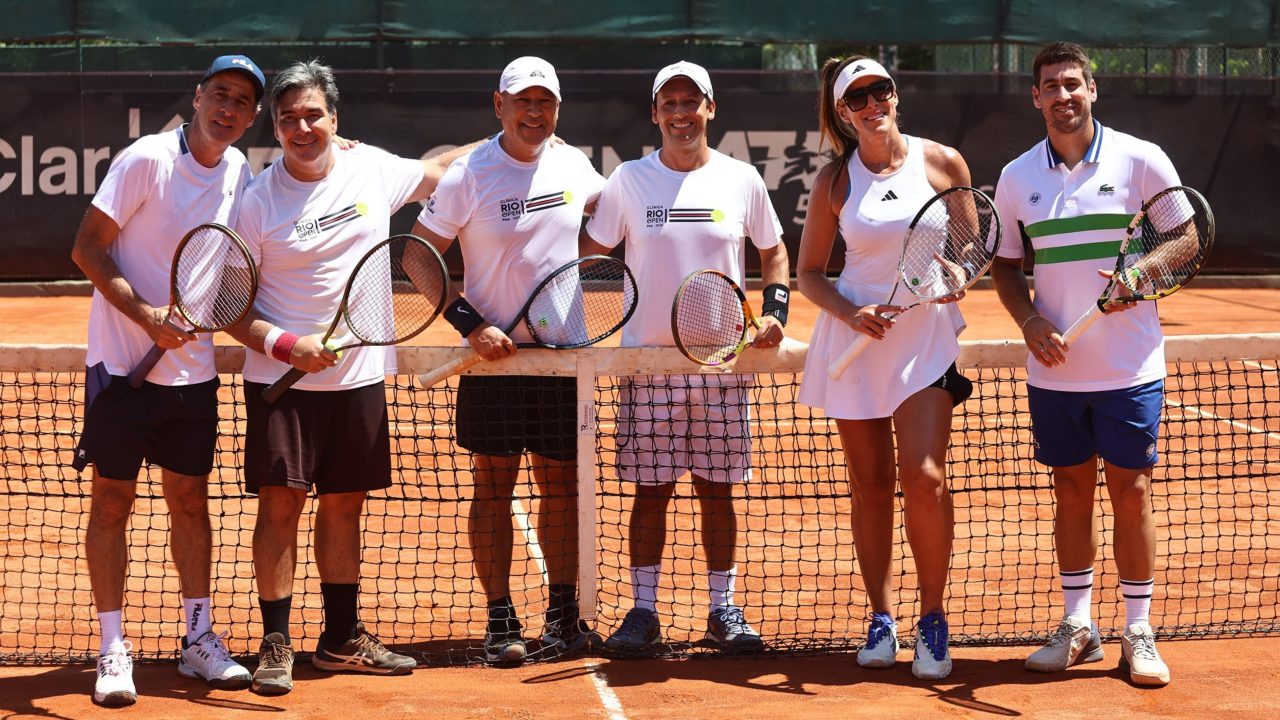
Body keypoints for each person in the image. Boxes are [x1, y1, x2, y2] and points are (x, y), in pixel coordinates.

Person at [225, 60, 477, 695]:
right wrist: (286, 346)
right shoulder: (255, 202)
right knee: (281, 508)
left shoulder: (373, 168)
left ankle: (339, 639)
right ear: (276, 130)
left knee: (344, 506)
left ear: (335, 121)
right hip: (282, 383)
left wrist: (514, 139)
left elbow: (442, 168)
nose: (302, 127)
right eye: (289, 120)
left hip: (360, 378)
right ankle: (276, 642)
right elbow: (229, 305)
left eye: (314, 115)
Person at [69, 53, 267, 707]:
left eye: (241, 101)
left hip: (192, 375)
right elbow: (87, 248)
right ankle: (111, 648)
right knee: (112, 504)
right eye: (220, 94)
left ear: (251, 116)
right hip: (123, 370)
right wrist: (145, 317)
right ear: (198, 96)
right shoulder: (146, 160)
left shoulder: (239, 169)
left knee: (190, 502)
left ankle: (198, 640)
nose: (228, 108)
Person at [581, 60, 790, 656]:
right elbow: (588, 255)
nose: (680, 113)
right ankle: (643, 611)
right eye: (668, 103)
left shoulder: (741, 179)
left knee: (716, 490)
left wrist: (774, 310)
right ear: (655, 114)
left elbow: (774, 254)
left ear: (710, 109)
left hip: (722, 365)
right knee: (651, 491)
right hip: (646, 367)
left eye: (691, 102)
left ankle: (723, 610)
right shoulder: (628, 182)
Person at [990, 41, 1179, 687]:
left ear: (1092, 89)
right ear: (1035, 97)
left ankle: (1139, 631)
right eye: (1051, 85)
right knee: (1070, 492)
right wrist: (1030, 320)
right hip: (1055, 371)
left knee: (1131, 492)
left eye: (1074, 83)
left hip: (1130, 368)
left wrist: (1143, 271)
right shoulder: (1018, 176)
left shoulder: (1141, 159)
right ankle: (1079, 626)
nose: (1063, 95)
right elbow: (1007, 267)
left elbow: (1185, 237)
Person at [410, 56, 606, 666]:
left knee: (562, 487)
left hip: (559, 360)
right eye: (523, 100)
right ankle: (500, 619)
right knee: (493, 488)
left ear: (556, 109)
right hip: (492, 364)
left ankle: (563, 613)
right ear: (499, 104)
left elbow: (610, 219)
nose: (534, 111)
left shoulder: (575, 164)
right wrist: (471, 325)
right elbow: (418, 257)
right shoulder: (468, 173)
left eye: (544, 101)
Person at [794, 56, 976, 681]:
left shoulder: (942, 162)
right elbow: (810, 275)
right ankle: (880, 616)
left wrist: (953, 278)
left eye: (882, 91)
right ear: (843, 113)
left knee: (924, 478)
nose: (874, 104)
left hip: (923, 341)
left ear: (895, 96)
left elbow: (968, 251)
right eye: (859, 98)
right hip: (855, 339)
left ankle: (932, 618)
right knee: (870, 487)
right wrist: (852, 313)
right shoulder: (834, 182)